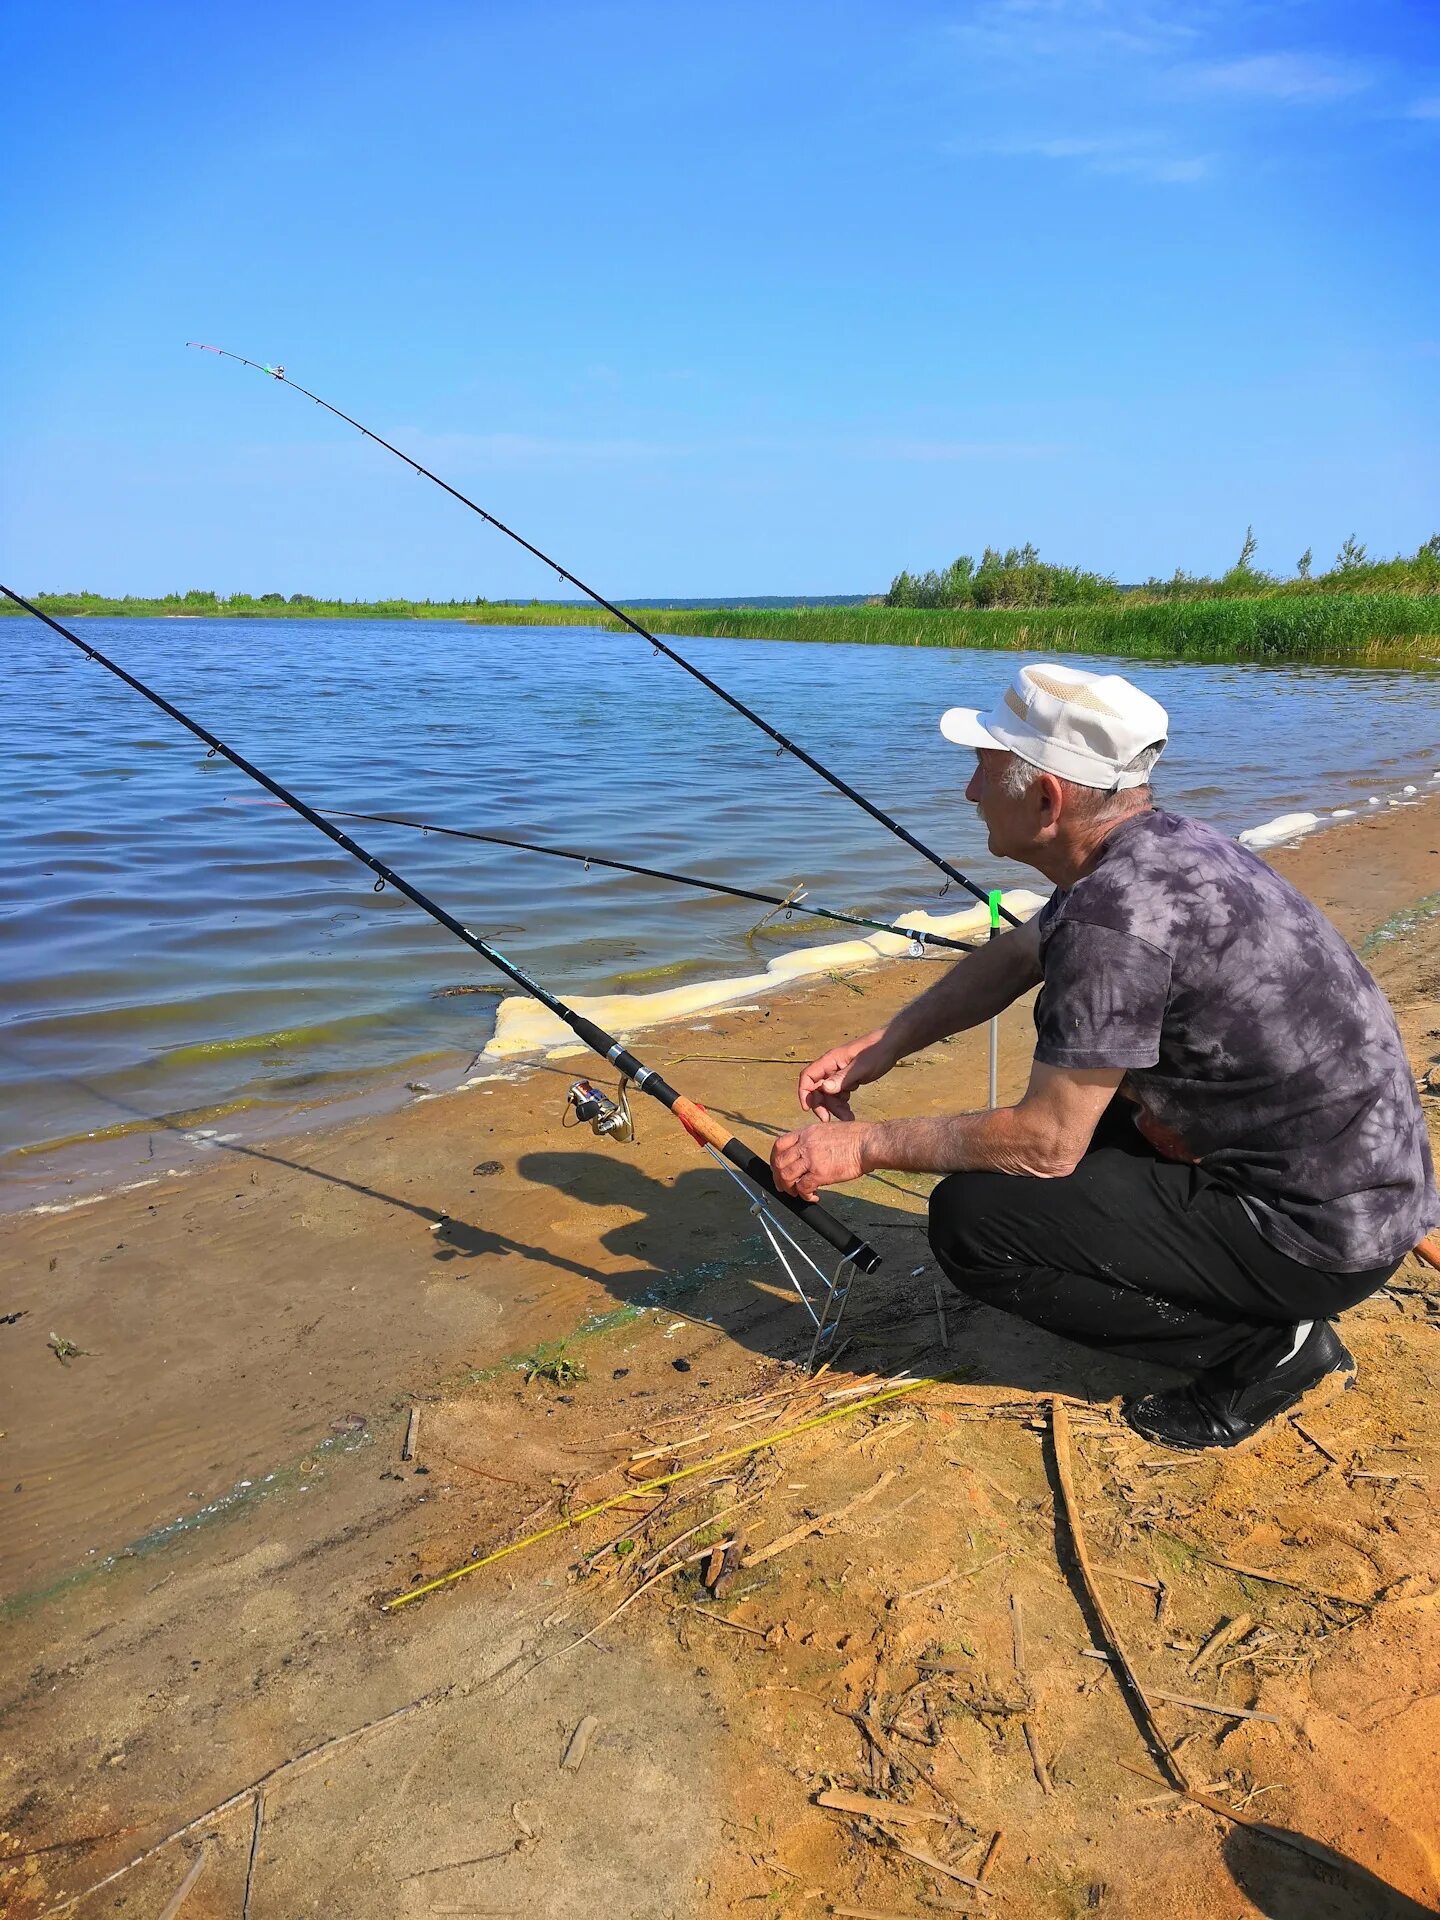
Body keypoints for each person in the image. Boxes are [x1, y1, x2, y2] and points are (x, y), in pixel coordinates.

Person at [770, 662, 1438, 1449]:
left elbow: (1046, 1144)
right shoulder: (1162, 848)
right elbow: (1024, 952)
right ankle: (1267, 1301)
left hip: (1318, 1237)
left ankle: (1268, 1352)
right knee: (1074, 1130)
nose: (969, 793)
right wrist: (886, 1044)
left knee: (970, 1222)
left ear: (1047, 799)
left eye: (984, 771)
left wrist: (862, 1145)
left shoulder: (1112, 923)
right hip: (1369, 1191)